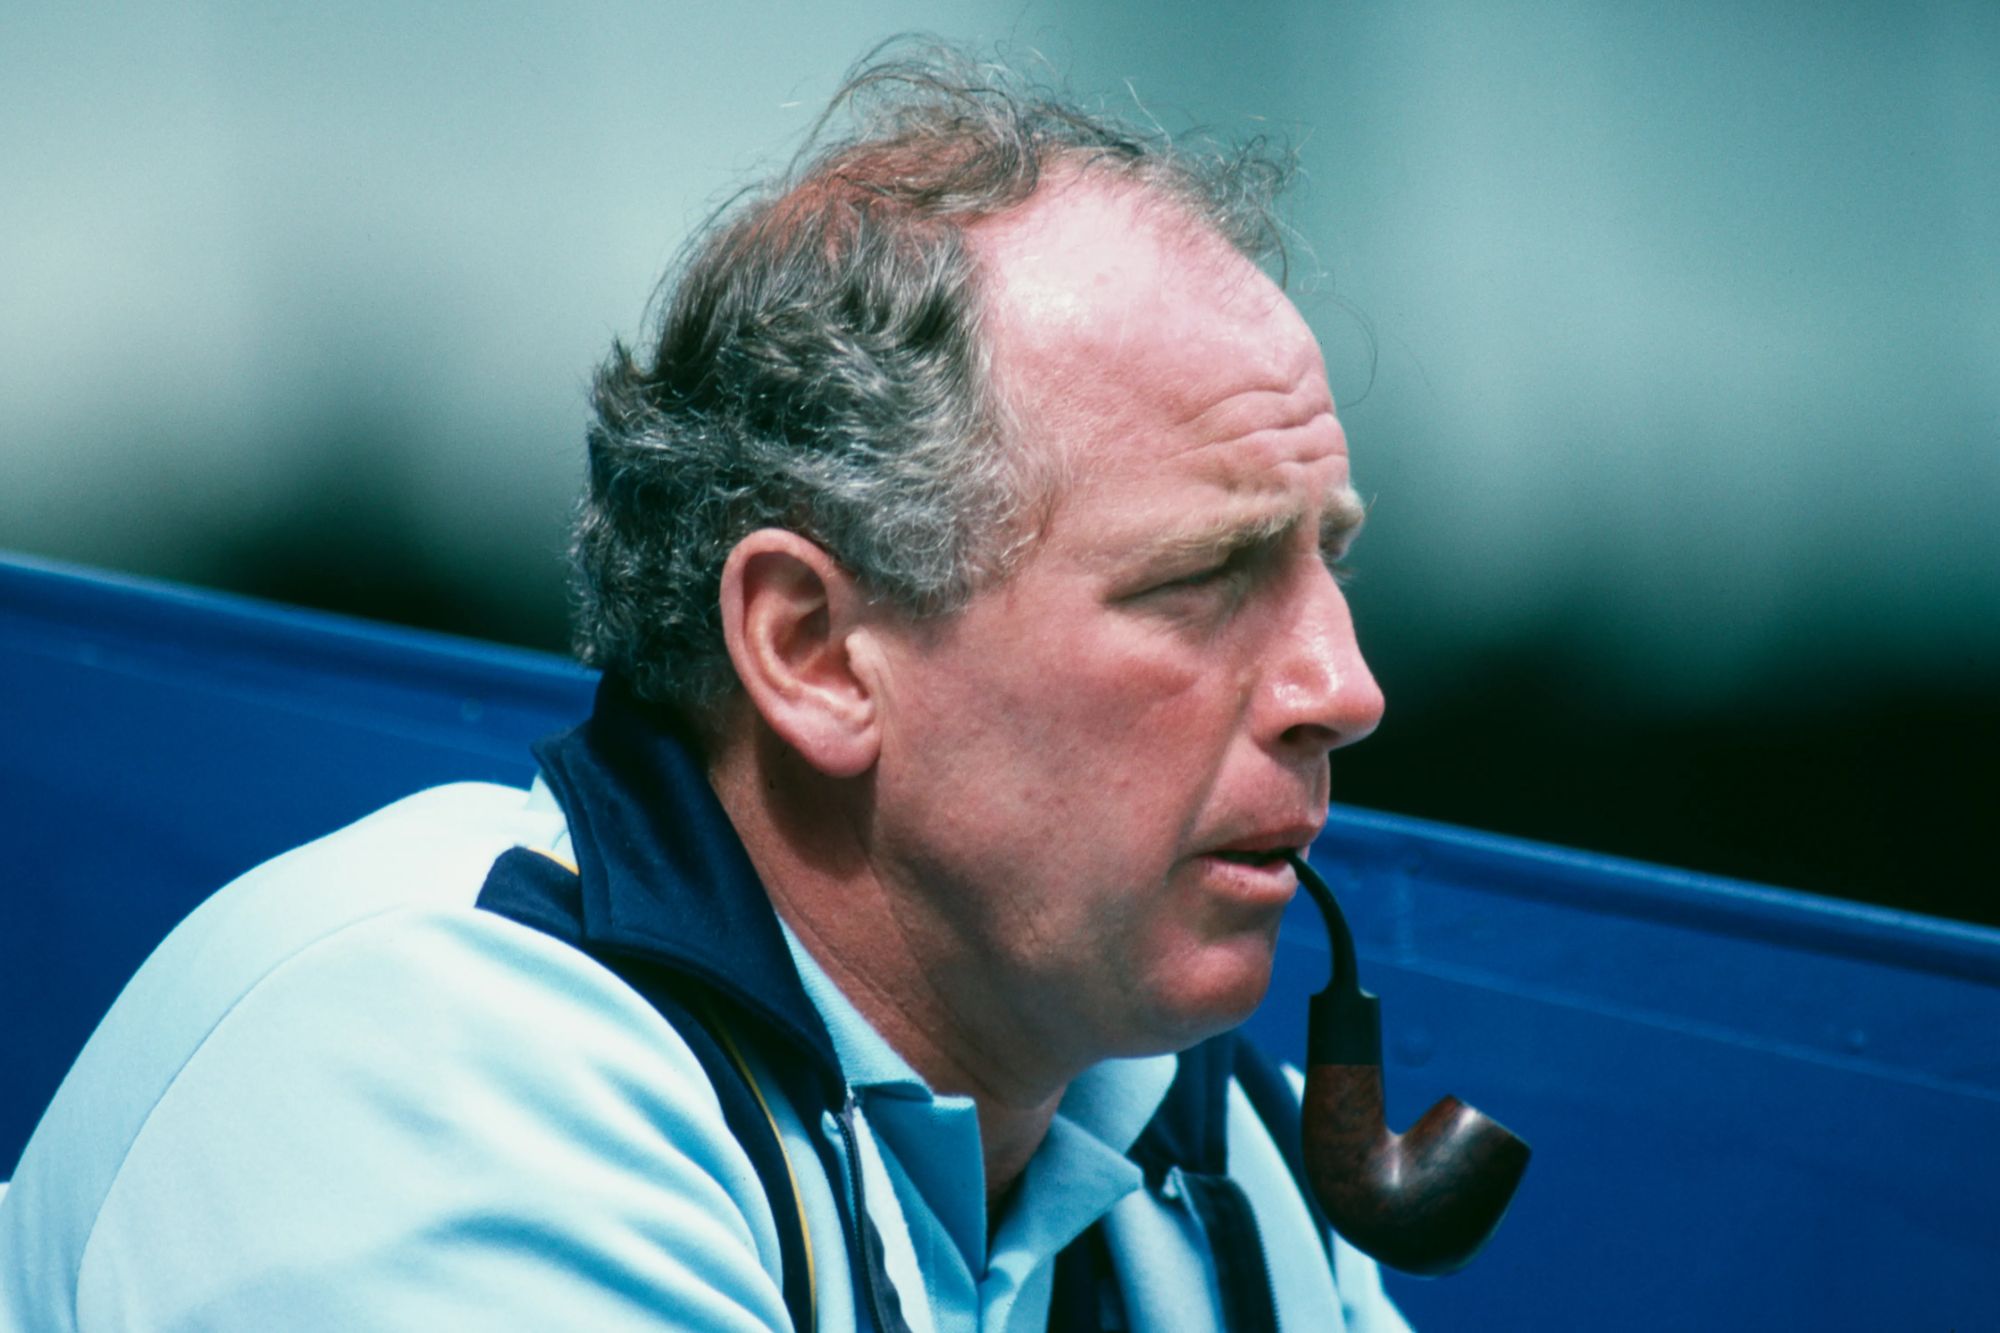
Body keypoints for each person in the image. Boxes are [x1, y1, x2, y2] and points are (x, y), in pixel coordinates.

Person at [0, 46, 1405, 1332]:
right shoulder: (430, 1067)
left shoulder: (1228, 1157)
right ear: (810, 649)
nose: (1343, 687)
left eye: (1326, 564)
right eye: (1202, 579)